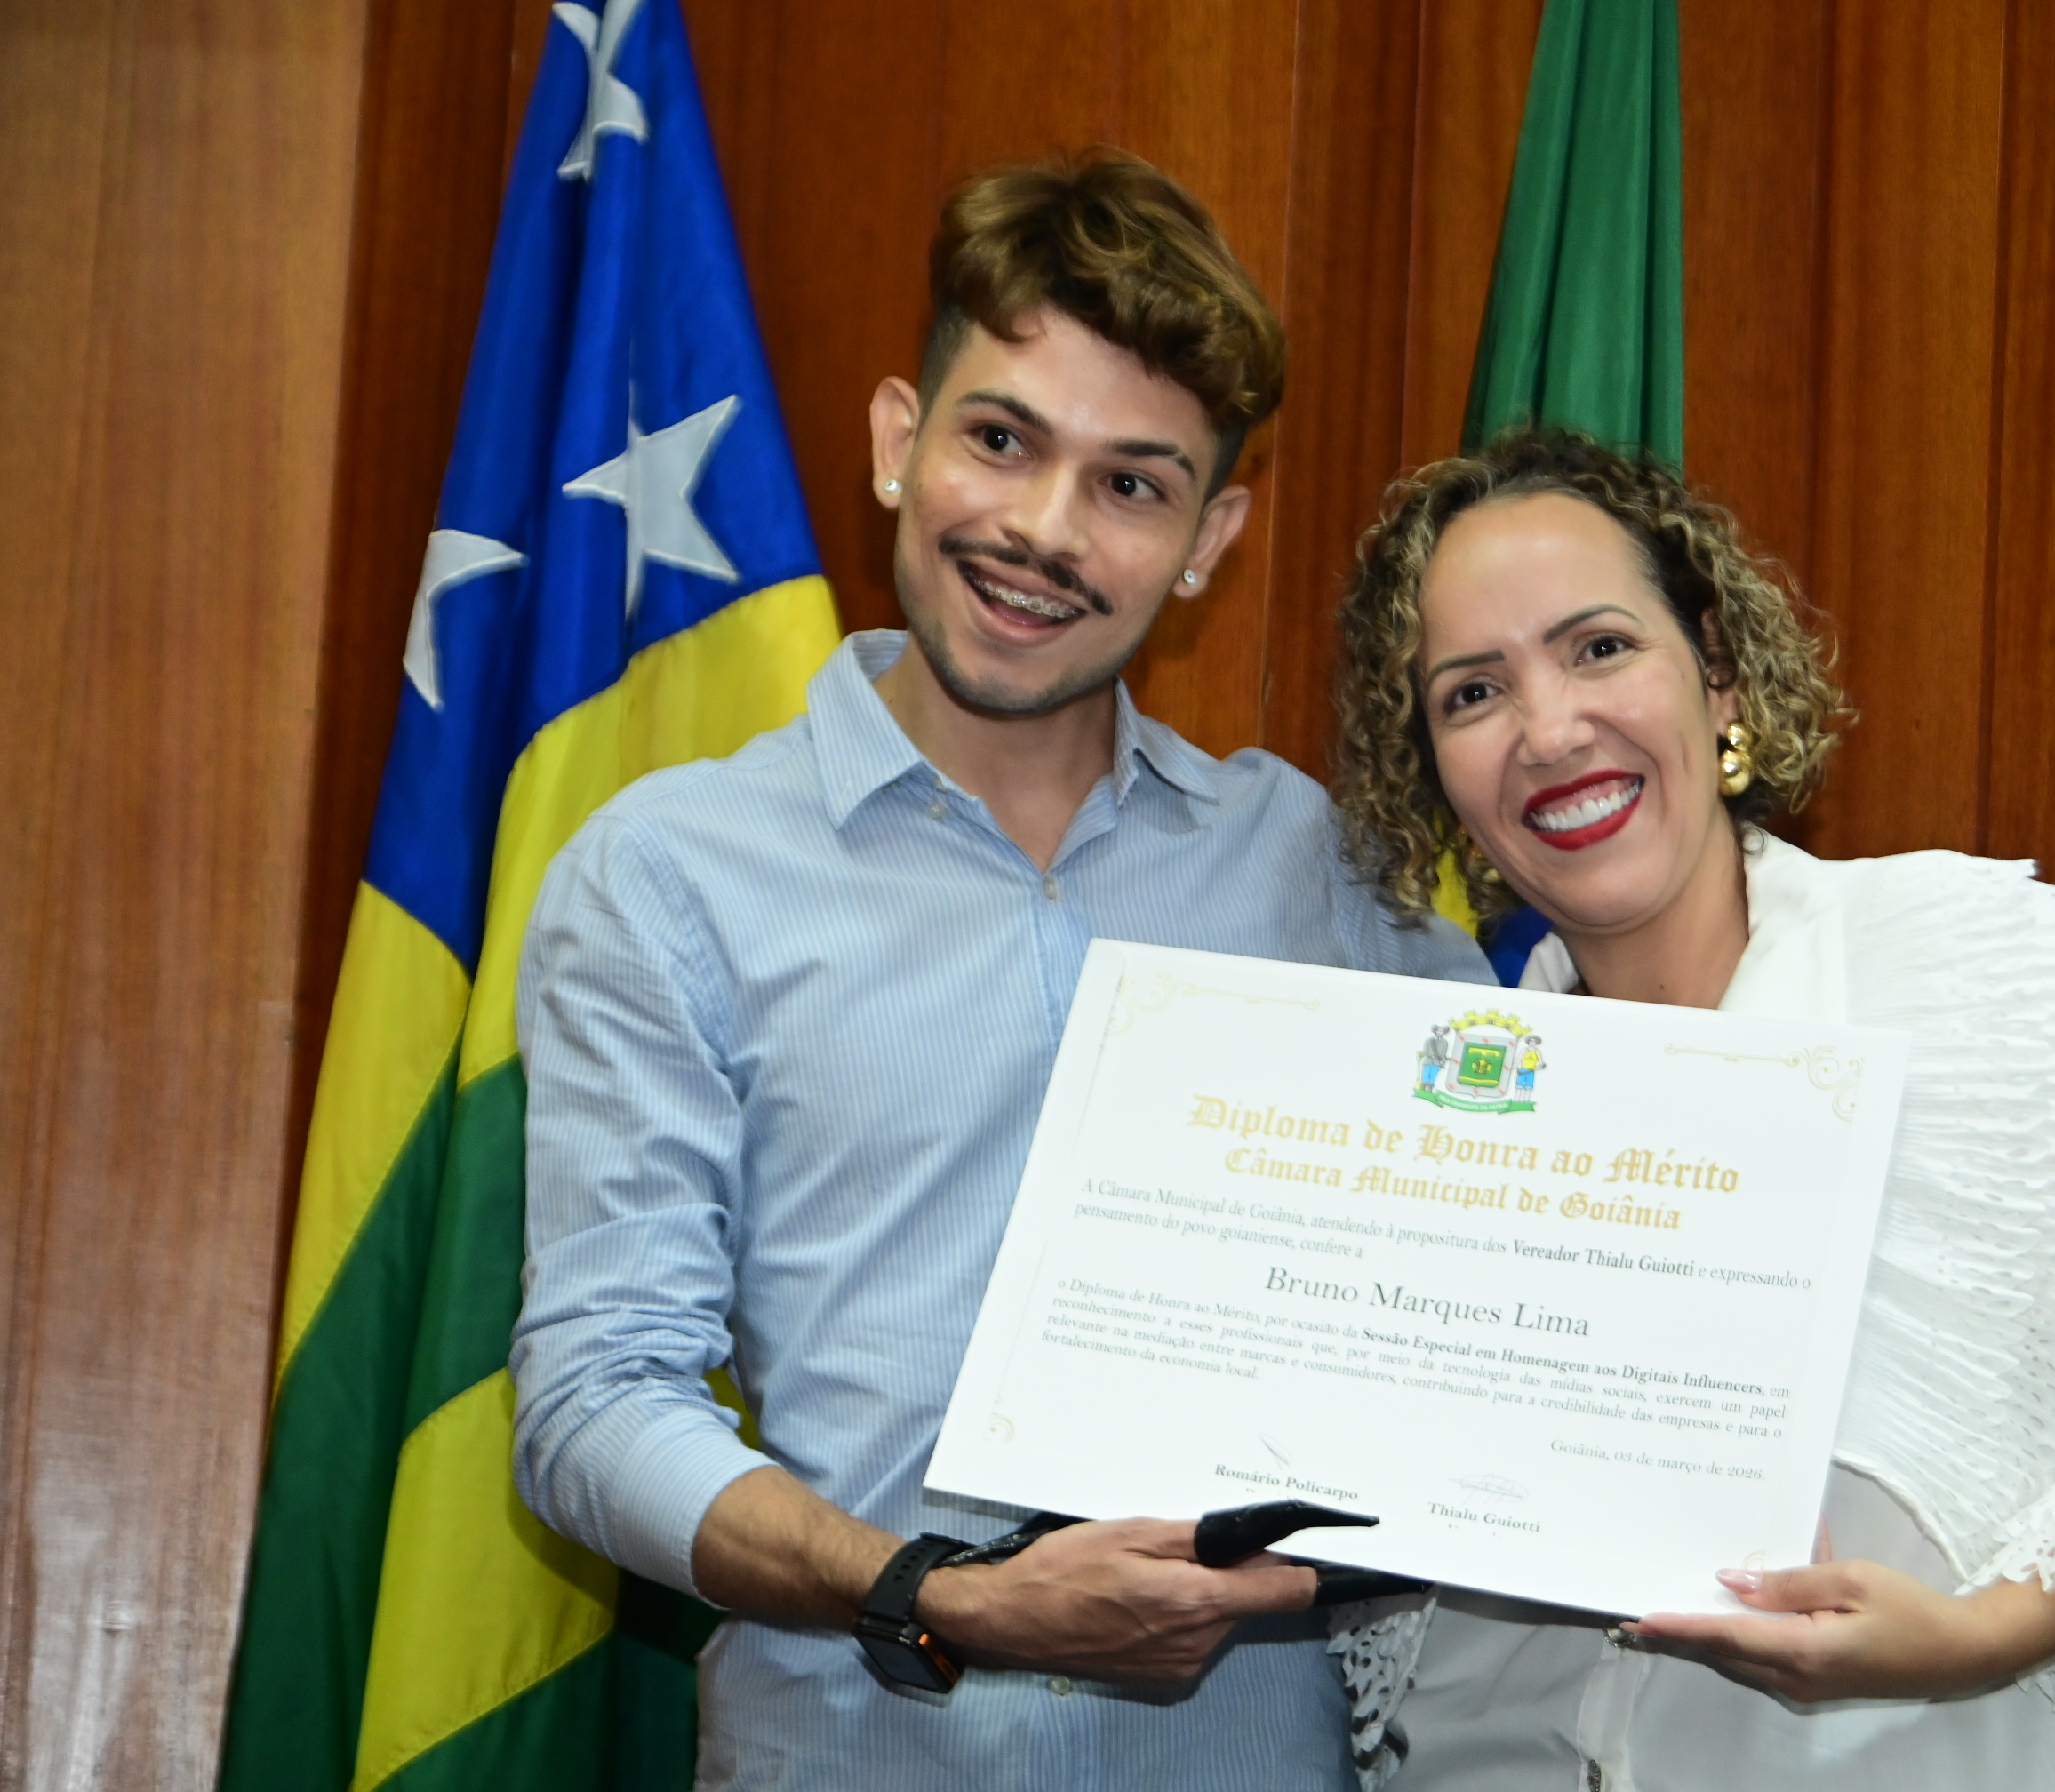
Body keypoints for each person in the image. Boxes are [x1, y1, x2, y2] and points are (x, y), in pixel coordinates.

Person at [1319, 427, 2055, 1788]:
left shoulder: (1998, 974)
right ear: (1433, 768)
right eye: (1474, 693)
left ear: (1717, 671)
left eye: (1600, 648)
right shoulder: (1434, 1117)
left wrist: (1971, 1640)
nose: (1548, 731)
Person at [508, 151, 1488, 1792]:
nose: (1043, 531)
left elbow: (1551, 1163)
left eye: (1132, 485)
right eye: (1002, 441)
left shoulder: (1313, 867)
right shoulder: (665, 876)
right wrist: (938, 1596)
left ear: (1210, 538)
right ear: (900, 440)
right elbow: (595, 1401)